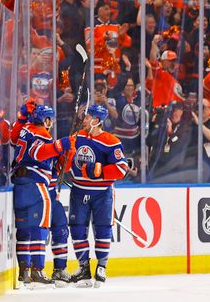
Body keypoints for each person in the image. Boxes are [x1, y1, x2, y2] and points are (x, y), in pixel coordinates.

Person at [10, 101, 72, 288]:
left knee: (24, 230)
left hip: (20, 184)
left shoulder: (24, 129)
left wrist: (65, 152)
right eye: (48, 119)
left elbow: (13, 140)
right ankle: (37, 269)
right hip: (36, 184)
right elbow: (38, 153)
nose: (50, 122)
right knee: (39, 228)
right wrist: (59, 146)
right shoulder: (41, 134)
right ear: (43, 119)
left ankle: (24, 271)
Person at [68, 104, 128, 287]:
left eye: (87, 118)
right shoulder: (76, 138)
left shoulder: (111, 142)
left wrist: (100, 173)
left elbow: (121, 168)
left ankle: (101, 267)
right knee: (77, 229)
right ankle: (83, 269)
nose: (84, 120)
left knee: (102, 229)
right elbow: (64, 158)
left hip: (102, 193)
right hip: (78, 191)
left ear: (96, 121)